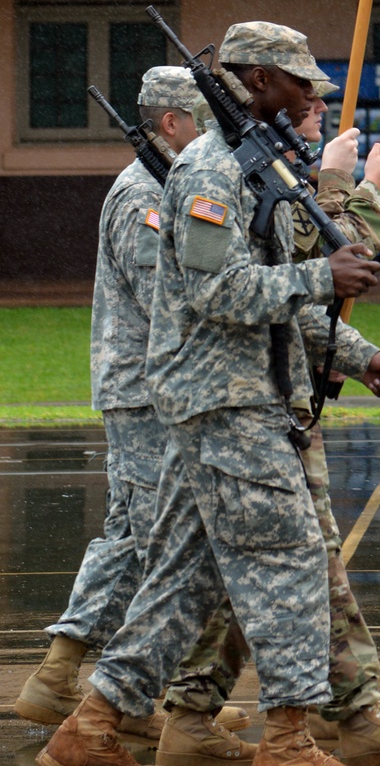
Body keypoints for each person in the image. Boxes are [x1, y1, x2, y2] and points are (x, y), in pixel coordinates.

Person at [38, 22, 380, 766]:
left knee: (184, 579)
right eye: (299, 84)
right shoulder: (205, 172)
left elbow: (267, 282)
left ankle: (91, 725)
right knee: (290, 556)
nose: (308, 98)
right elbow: (214, 291)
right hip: (223, 399)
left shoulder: (245, 163)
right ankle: (290, 738)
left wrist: (349, 345)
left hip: (234, 395)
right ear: (258, 81)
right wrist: (323, 277)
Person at [169, 90, 380, 766]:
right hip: (240, 408)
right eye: (309, 106)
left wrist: (357, 357)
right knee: (288, 566)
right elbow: (319, 262)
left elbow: (296, 297)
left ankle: (202, 714)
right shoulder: (228, 180)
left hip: (275, 400)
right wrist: (362, 190)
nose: (320, 112)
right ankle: (320, 721)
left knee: (275, 569)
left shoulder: (259, 177)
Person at [16, 67, 251, 758]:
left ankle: (62, 675)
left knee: (131, 534)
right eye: (203, 123)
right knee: (161, 544)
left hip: (152, 388)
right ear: (171, 124)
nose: (216, 139)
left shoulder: (167, 187)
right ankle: (148, 698)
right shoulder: (144, 197)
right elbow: (167, 302)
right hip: (148, 391)